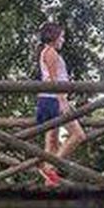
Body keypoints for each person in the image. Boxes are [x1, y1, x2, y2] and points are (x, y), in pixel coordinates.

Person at [34, 21, 86, 186]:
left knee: (52, 141)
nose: (63, 40)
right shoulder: (50, 53)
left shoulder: (47, 52)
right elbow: (55, 80)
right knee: (78, 135)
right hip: (53, 99)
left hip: (48, 98)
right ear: (54, 37)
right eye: (62, 36)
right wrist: (63, 101)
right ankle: (49, 167)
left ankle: (49, 182)